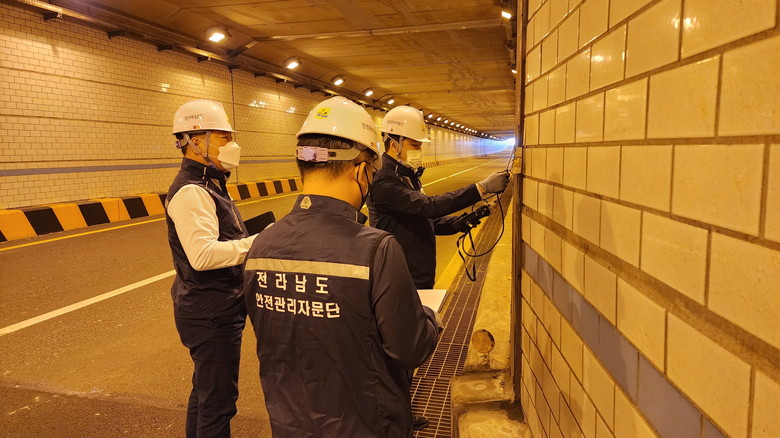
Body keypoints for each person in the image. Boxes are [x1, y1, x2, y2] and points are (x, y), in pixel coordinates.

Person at [242, 96, 442, 437]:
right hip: (367, 425)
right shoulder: (377, 249)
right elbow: (409, 348)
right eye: (372, 173)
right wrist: (429, 319)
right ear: (360, 171)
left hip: (289, 425)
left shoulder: (262, 244)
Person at [165, 99, 256, 438]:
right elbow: (202, 256)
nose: (232, 144)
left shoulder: (210, 183)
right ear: (195, 141)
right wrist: (261, 242)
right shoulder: (192, 191)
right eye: (223, 137)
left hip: (212, 305)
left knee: (205, 394)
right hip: (211, 311)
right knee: (218, 404)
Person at [368, 105, 509, 289]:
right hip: (399, 275)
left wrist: (465, 220)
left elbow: (424, 220)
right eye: (415, 145)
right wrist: (481, 188)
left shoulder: (407, 175)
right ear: (395, 144)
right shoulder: (384, 182)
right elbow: (428, 207)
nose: (419, 150)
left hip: (418, 272)